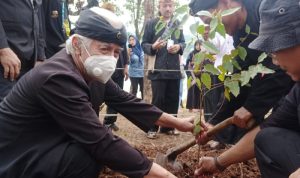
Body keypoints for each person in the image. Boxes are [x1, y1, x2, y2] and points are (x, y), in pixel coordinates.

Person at [0, 7, 202, 178]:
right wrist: (165, 175)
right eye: (104, 49)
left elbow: (127, 101)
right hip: (14, 157)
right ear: (78, 44)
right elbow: (101, 142)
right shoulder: (58, 78)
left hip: (43, 144)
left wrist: (180, 123)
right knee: (85, 158)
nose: (111, 59)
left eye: (116, 52)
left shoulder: (87, 70)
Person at [194, 0, 300, 177]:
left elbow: (274, 77)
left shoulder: (264, 13)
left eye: (275, 49)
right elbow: (267, 126)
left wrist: (252, 107)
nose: (273, 61)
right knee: (268, 138)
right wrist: (218, 162)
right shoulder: (297, 92)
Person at [142, 0, 186, 138]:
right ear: (159, 7)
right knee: (158, 100)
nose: (168, 8)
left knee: (173, 99)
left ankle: (169, 128)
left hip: (174, 68)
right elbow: (144, 44)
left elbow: (183, 42)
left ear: (173, 7)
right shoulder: (152, 23)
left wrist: (179, 47)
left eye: (170, 6)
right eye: (165, 6)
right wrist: (153, 47)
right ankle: (152, 128)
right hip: (158, 68)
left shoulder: (177, 24)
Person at [0, 0, 45, 102]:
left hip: (29, 64)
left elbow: (37, 15)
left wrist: (40, 57)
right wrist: (2, 48)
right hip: (5, 64)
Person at [101, 2, 130, 131]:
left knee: (117, 95)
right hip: (101, 68)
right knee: (100, 94)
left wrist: (126, 66)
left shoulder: (119, 28)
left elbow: (124, 49)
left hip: (117, 68)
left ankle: (110, 121)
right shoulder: (98, 27)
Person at [185, 40, 202, 113]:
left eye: (200, 45)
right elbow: (187, 64)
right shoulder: (191, 53)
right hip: (191, 74)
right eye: (197, 45)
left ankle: (199, 107)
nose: (198, 46)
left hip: (200, 74)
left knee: (199, 91)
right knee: (191, 90)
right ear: (195, 45)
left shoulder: (202, 54)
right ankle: (190, 108)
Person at [128, 34, 144, 99]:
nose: (131, 41)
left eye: (133, 39)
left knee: (143, 90)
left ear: (136, 40)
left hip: (142, 73)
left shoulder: (141, 49)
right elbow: (128, 62)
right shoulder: (129, 50)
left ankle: (144, 106)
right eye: (130, 40)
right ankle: (133, 106)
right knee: (134, 90)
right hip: (134, 74)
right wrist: (128, 55)